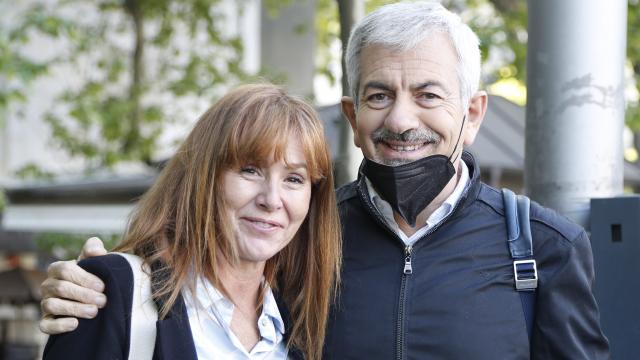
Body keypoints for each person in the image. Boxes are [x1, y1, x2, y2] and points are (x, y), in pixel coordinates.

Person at [39, 2, 610, 358]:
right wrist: (97, 284)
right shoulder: (302, 234)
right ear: (353, 115)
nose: (402, 119)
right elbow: (191, 280)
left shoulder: (543, 249)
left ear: (473, 113)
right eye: (379, 95)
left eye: (429, 95)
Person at [42, 83, 341, 360]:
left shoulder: (299, 329)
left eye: (294, 178)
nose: (272, 200)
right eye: (250, 170)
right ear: (204, 177)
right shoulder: (110, 296)